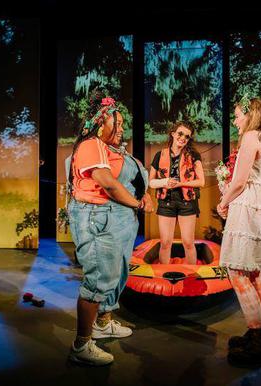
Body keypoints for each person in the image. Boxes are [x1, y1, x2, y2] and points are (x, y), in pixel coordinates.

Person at [67, 90, 153, 366]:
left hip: (111, 216)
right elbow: (108, 183)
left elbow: (127, 180)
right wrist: (138, 204)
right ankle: (81, 344)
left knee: (113, 273)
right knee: (97, 279)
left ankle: (102, 323)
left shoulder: (109, 149)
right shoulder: (91, 144)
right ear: (101, 122)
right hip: (95, 216)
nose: (122, 128)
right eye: (117, 123)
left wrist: (143, 194)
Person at [217, 96, 261, 367]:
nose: (235, 120)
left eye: (237, 115)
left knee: (237, 271)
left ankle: (256, 342)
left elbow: (240, 181)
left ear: (250, 114)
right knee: (255, 272)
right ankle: (259, 337)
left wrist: (223, 202)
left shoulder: (251, 137)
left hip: (248, 208)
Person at [149, 122, 204, 264]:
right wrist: (164, 182)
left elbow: (201, 182)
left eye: (187, 136)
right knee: (166, 243)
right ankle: (163, 277)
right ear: (173, 133)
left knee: (188, 242)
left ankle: (192, 278)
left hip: (187, 202)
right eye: (180, 134)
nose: (183, 138)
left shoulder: (193, 155)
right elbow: (151, 182)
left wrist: (180, 183)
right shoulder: (159, 155)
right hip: (166, 202)